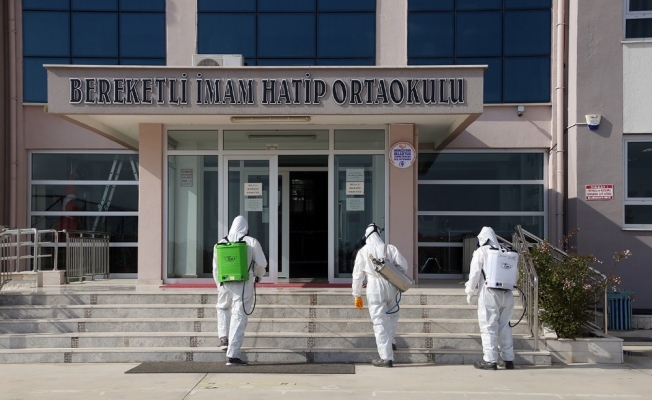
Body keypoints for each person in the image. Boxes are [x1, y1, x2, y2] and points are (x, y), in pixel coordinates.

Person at [212, 215, 267, 366]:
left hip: (224, 283)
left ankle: (223, 338)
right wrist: (258, 275)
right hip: (243, 284)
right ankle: (233, 355)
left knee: (222, 307)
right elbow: (262, 263)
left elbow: (215, 268)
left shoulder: (220, 243)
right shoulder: (251, 241)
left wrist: (219, 285)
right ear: (246, 228)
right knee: (239, 316)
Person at [352, 223, 408, 368]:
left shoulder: (363, 252)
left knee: (379, 322)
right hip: (391, 285)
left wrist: (357, 295)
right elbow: (404, 266)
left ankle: (386, 357)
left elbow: (357, 276)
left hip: (374, 288)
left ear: (367, 236)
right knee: (393, 315)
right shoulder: (389, 248)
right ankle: (391, 341)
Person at [465, 226, 516, 370]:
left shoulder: (481, 251)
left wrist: (469, 291)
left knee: (488, 327)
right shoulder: (505, 251)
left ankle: (490, 361)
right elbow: (515, 274)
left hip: (489, 294)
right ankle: (508, 360)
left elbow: (475, 274)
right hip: (507, 294)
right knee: (504, 327)